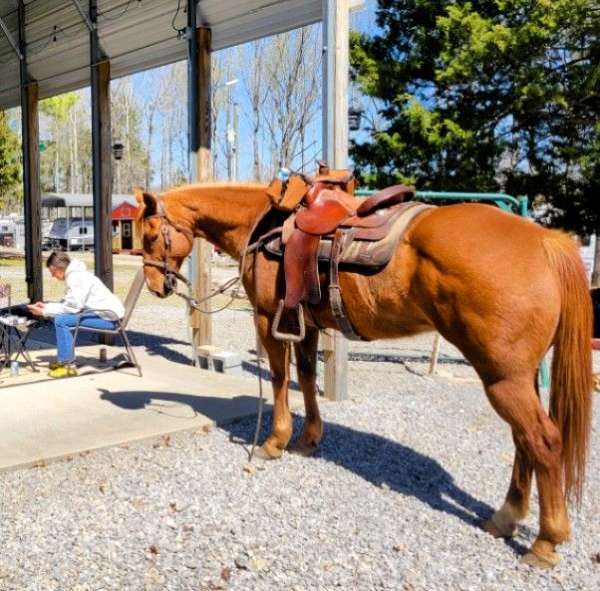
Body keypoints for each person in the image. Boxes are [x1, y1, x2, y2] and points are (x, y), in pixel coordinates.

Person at [27, 251, 125, 378]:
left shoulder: (76, 278)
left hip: (110, 320)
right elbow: (70, 304)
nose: (53, 276)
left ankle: (67, 365)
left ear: (59, 269)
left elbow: (72, 308)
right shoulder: (76, 275)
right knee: (62, 319)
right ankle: (65, 361)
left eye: (53, 272)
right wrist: (46, 307)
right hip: (106, 315)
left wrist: (44, 312)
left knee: (61, 321)